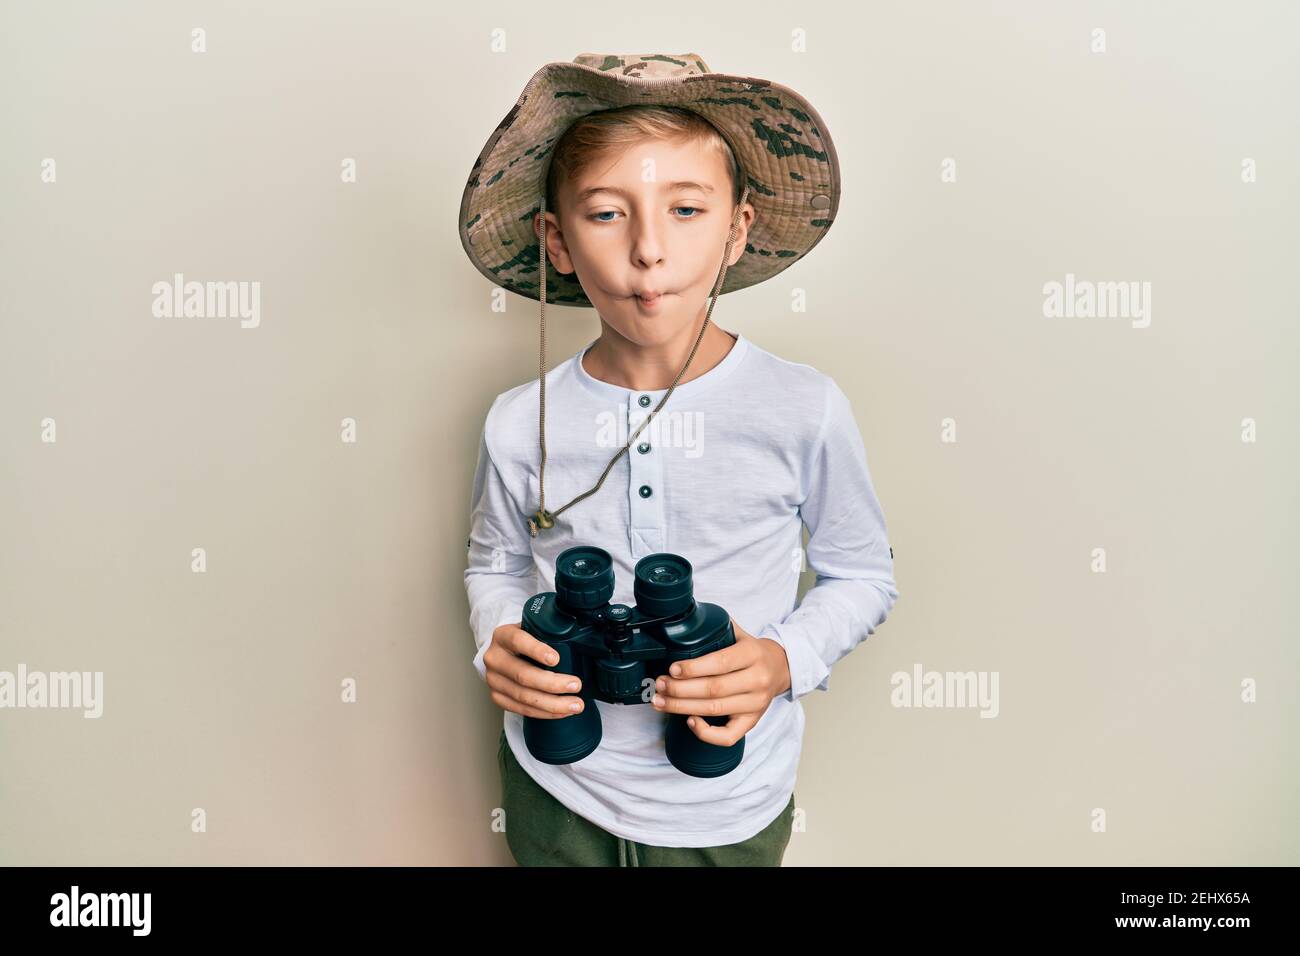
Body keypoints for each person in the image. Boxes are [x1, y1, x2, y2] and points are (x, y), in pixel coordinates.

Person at [460, 52, 898, 866]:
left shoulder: (802, 407)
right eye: (605, 215)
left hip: (726, 804)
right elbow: (496, 564)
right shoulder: (520, 422)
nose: (649, 252)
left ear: (739, 229)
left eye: (687, 210)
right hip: (555, 790)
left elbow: (865, 573)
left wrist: (779, 662)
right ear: (555, 241)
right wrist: (500, 638)